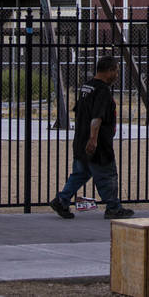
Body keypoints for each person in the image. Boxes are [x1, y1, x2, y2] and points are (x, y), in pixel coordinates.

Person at [49, 54, 134, 220]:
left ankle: (62, 200)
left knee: (80, 173)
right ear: (108, 71)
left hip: (80, 141)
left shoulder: (86, 87)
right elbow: (97, 118)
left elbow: (80, 112)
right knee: (108, 175)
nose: (117, 75)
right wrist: (93, 140)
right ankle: (113, 207)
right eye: (116, 71)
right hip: (97, 144)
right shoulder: (102, 91)